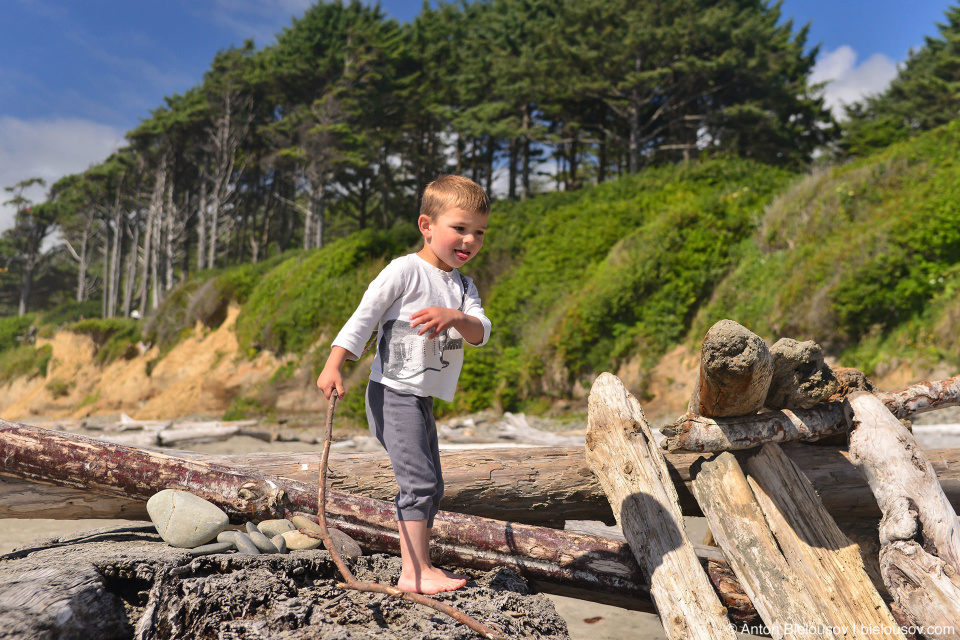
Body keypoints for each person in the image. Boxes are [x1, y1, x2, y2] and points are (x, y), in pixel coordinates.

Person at [316, 174, 491, 595]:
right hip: (392, 394)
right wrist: (334, 364)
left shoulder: (463, 286)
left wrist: (456, 317)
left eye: (479, 233)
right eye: (459, 228)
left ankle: (419, 565)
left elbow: (481, 330)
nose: (469, 240)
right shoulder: (405, 270)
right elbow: (364, 316)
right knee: (419, 483)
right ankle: (414, 572)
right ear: (426, 226)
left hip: (421, 398)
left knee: (434, 483)